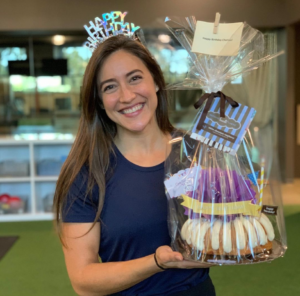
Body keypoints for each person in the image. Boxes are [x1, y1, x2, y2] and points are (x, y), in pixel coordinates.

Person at [53, 33, 216, 296]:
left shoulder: (197, 152)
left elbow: (224, 232)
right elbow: (83, 280)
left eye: (135, 78)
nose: (127, 96)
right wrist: (156, 262)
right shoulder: (86, 173)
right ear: (99, 102)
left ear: (156, 82)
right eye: (110, 87)